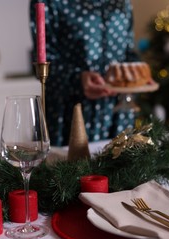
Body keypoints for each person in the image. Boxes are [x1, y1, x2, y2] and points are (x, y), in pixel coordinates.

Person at [30, 0, 141, 146]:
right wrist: (77, 79)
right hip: (69, 115)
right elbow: (43, 59)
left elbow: (128, 50)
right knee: (68, 167)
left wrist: (135, 71)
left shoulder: (123, 2)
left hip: (117, 114)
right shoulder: (50, 2)